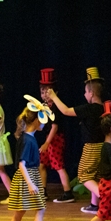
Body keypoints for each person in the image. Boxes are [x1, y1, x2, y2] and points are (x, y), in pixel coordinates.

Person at [3, 97, 58, 221]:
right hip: (27, 177)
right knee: (39, 209)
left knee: (21, 211)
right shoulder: (28, 140)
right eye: (43, 120)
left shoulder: (28, 138)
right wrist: (30, 183)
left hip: (29, 176)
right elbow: (22, 164)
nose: (44, 124)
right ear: (36, 121)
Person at [47, 67, 105, 214]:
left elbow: (66, 111)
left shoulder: (89, 108)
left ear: (91, 93)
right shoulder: (104, 108)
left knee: (84, 175)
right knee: (95, 175)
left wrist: (53, 97)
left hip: (91, 147)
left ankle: (105, 197)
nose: (84, 94)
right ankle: (95, 205)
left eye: (86, 92)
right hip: (102, 146)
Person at [37, 69, 74, 203]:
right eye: (42, 92)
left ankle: (68, 193)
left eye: (47, 92)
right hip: (49, 138)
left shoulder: (56, 107)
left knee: (58, 165)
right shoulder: (45, 106)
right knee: (41, 164)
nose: (44, 95)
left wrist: (47, 143)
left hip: (55, 139)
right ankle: (43, 192)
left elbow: (55, 127)